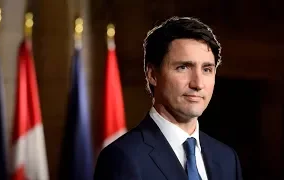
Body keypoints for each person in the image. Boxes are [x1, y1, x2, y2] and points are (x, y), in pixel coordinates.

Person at [94, 16, 243, 180]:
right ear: (152, 75)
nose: (198, 84)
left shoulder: (227, 159)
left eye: (207, 69)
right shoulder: (122, 158)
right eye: (183, 67)